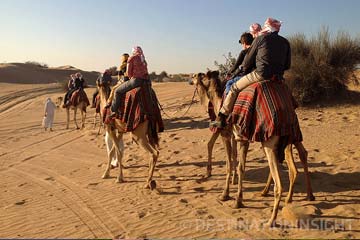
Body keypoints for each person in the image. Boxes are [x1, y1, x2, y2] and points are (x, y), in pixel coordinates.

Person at [211, 17, 290, 128]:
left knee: (234, 87)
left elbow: (247, 62)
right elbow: (287, 65)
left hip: (261, 74)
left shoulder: (260, 39)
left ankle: (222, 116)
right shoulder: (285, 42)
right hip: (278, 76)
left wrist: (236, 72)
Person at [108, 46, 150, 116]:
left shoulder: (132, 58)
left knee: (117, 91)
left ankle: (113, 111)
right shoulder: (143, 59)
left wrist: (130, 77)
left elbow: (128, 73)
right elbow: (146, 71)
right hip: (145, 81)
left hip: (135, 81)